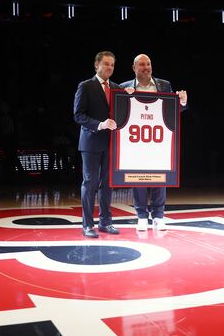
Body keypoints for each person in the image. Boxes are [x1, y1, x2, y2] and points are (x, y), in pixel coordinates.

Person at [120, 54, 187, 231]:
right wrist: (123, 99)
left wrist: (183, 102)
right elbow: (118, 114)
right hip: (135, 143)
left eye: (148, 64)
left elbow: (173, 110)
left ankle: (158, 216)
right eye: (141, 64)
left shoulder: (164, 85)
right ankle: (141, 216)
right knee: (138, 180)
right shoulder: (124, 87)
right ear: (134, 68)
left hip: (158, 141)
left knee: (160, 178)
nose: (146, 67)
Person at [73, 51, 122, 238]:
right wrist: (99, 125)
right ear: (97, 65)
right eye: (106, 64)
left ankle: (105, 222)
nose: (109, 67)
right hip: (91, 142)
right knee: (90, 183)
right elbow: (78, 115)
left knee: (107, 185)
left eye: (112, 64)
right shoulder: (86, 86)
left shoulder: (117, 88)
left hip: (111, 144)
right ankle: (87, 225)